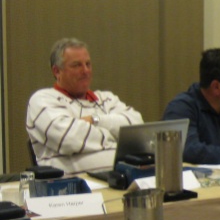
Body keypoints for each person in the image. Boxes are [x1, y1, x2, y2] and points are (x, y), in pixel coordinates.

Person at [26, 38, 143, 173]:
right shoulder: (43, 99)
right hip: (74, 188)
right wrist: (120, 142)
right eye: (77, 65)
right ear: (57, 71)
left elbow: (137, 129)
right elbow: (69, 139)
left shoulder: (106, 98)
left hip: (123, 182)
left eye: (88, 64)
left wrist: (95, 120)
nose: (86, 71)